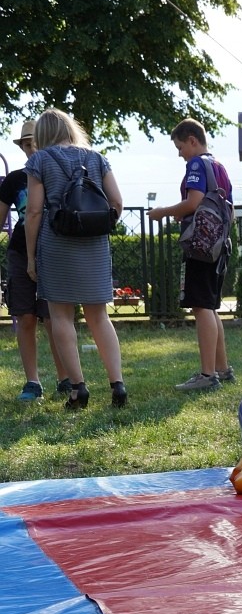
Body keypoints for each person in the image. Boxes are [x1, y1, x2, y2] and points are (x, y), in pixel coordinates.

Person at [24, 108, 126, 410]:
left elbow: (33, 211)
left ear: (42, 135)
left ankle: (78, 389)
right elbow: (117, 202)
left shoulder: (39, 160)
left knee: (61, 317)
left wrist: (31, 256)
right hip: (94, 245)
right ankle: (117, 384)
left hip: (56, 243)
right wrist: (94, 227)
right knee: (99, 317)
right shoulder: (96, 157)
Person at [148, 119, 235, 392]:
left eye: (180, 146)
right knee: (209, 307)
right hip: (218, 244)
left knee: (200, 307)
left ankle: (207, 375)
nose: (180, 153)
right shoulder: (218, 166)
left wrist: (164, 211)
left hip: (201, 247)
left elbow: (194, 202)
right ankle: (222, 369)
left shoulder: (197, 165)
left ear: (192, 140)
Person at [2, 120, 67, 400]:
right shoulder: (16, 179)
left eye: (35, 142)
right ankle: (33, 382)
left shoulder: (58, 173)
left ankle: (66, 378)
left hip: (53, 251)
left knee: (54, 318)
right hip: (20, 251)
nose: (32, 148)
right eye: (26, 144)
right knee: (25, 316)